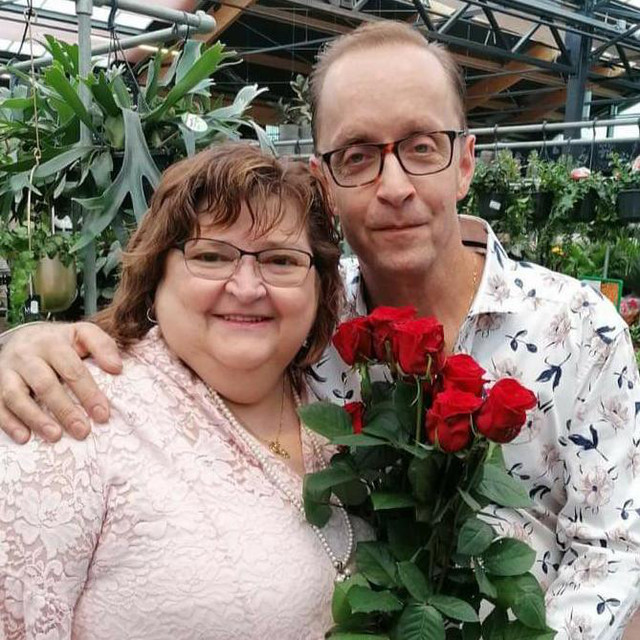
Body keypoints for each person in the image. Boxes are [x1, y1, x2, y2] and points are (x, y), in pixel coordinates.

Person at [1, 21, 639, 639]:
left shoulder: (579, 330)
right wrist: (30, 341)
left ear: (465, 163)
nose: (394, 187)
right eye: (358, 156)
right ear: (326, 182)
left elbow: (615, 549)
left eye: (422, 147)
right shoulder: (306, 323)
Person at [0, 142, 354, 639]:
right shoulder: (76, 417)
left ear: (320, 286)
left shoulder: (333, 403)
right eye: (211, 256)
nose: (247, 287)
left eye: (281, 261)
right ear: (156, 275)